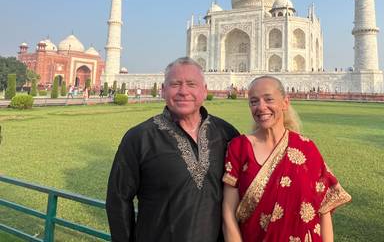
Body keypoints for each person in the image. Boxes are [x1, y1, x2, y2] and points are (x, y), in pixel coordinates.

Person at [106, 57, 239, 242]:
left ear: (204, 90)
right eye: (175, 84)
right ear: (163, 90)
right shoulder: (139, 138)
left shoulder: (226, 133)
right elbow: (118, 199)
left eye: (191, 84)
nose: (183, 91)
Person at [222, 76, 351, 242]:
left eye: (269, 99)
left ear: (285, 102)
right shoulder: (239, 147)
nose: (261, 107)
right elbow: (228, 213)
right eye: (254, 102)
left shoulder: (306, 148)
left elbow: (324, 209)